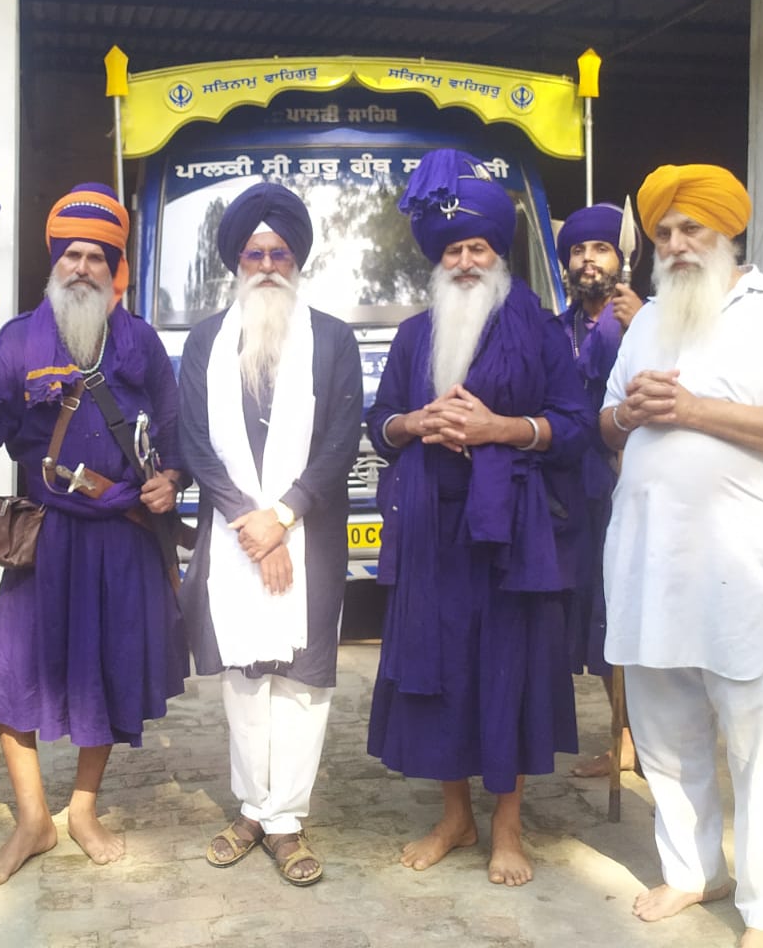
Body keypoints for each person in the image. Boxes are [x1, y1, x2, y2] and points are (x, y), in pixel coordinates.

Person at [600, 164, 763, 947]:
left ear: (728, 231)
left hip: (745, 571)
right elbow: (606, 422)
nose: (676, 245)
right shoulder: (647, 321)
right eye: (664, 233)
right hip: (648, 563)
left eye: (691, 229)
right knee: (666, 737)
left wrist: (694, 409)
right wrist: (628, 414)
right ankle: (692, 872)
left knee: (758, 746)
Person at [366, 149, 590, 886]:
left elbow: (575, 426)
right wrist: (414, 423)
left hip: (512, 534)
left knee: (506, 674)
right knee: (441, 673)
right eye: (453, 250)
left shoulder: (541, 332)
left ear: (499, 254)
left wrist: (503, 429)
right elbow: (380, 423)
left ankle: (508, 828)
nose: (464, 262)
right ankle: (455, 816)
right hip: (433, 531)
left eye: (478, 248)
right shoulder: (414, 336)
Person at [0, 183, 187, 885]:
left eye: (96, 257)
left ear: (113, 266)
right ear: (54, 261)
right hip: (45, 536)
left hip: (122, 534)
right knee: (7, 675)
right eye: (72, 255)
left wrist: (171, 479)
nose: (83, 267)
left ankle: (83, 811)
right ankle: (33, 819)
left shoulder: (140, 340)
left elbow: (174, 432)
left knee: (107, 673)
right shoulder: (15, 340)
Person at [176, 183, 362, 886]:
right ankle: (253, 809)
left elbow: (342, 441)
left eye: (279, 253)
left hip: (309, 535)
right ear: (236, 261)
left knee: (303, 682)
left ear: (297, 260)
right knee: (246, 678)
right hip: (233, 536)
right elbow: (195, 442)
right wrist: (247, 520)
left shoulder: (334, 339)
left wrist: (281, 516)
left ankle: (286, 820)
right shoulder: (205, 341)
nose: (266, 266)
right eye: (254, 254)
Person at [555, 203, 643, 778]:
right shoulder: (555, 329)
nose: (589, 260)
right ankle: (622, 737)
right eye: (578, 250)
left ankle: (644, 737)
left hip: (630, 483)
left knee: (630, 608)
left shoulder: (651, 320)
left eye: (602, 249)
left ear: (622, 257)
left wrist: (643, 326)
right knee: (591, 609)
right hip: (570, 490)